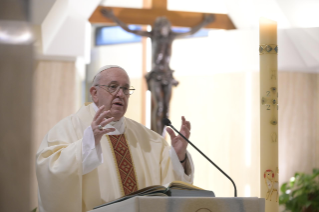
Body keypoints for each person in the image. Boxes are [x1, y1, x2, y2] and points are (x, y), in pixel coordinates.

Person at [36, 65, 194, 212]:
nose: (120, 94)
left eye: (125, 89)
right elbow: (49, 170)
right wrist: (86, 146)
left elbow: (170, 188)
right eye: (113, 87)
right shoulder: (69, 128)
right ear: (94, 93)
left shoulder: (149, 140)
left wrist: (178, 158)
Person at [101, 9, 214, 135]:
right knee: (159, 107)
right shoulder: (153, 36)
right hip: (156, 75)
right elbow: (130, 30)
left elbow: (191, 32)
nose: (163, 29)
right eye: (161, 26)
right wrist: (113, 17)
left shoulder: (171, 36)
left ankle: (163, 134)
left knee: (166, 109)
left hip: (168, 75)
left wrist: (204, 22)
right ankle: (158, 135)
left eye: (165, 26)